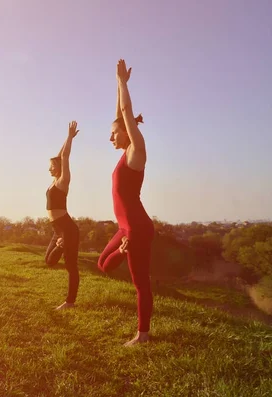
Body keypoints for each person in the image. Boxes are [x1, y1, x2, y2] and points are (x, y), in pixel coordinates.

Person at [97, 59, 155, 346]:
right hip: (124, 228)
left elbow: (125, 113)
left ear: (126, 132)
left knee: (140, 283)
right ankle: (121, 248)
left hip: (138, 228)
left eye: (113, 133)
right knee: (103, 265)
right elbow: (119, 114)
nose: (109, 137)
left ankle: (142, 335)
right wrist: (119, 86)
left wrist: (122, 82)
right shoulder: (123, 154)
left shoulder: (136, 152)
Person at [44, 121, 81, 310]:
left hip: (67, 228)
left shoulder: (63, 181)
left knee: (71, 266)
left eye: (52, 166)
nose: (49, 168)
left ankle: (70, 302)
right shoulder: (53, 182)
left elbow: (64, 156)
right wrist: (68, 139)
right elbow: (60, 155)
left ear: (58, 168)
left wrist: (69, 136)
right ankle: (60, 245)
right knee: (49, 261)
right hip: (57, 229)